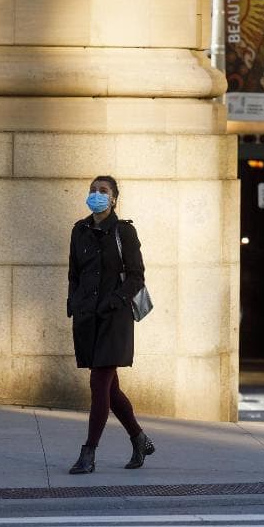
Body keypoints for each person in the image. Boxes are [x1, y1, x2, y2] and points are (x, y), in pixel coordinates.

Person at [66, 175, 154, 474]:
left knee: (99, 383)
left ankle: (89, 452)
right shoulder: (79, 230)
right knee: (110, 388)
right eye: (93, 190)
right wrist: (74, 305)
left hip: (114, 318)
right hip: (87, 318)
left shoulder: (123, 231)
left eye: (103, 191)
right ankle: (139, 438)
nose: (96, 195)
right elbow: (74, 274)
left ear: (114, 198)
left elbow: (136, 276)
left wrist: (114, 301)